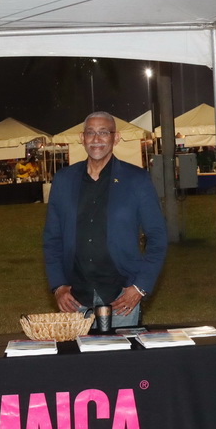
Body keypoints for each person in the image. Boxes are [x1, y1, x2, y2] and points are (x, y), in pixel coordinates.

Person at [43, 111, 167, 328]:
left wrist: (139, 288)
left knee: (120, 362)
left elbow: (157, 237)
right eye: (90, 133)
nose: (96, 139)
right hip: (75, 297)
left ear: (115, 138)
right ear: (82, 138)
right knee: (77, 361)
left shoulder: (137, 180)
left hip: (121, 296)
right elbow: (52, 238)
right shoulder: (64, 181)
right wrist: (58, 285)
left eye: (103, 133)